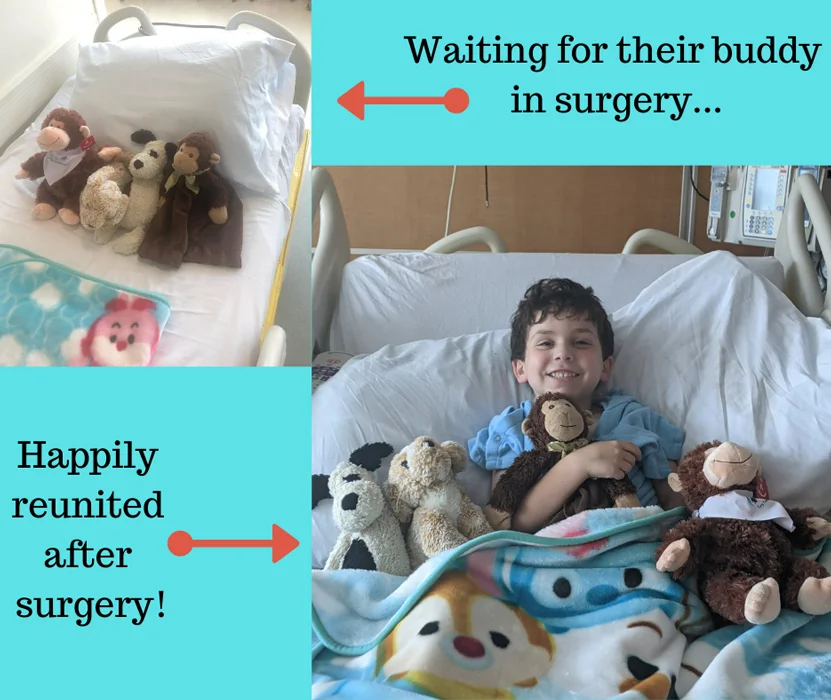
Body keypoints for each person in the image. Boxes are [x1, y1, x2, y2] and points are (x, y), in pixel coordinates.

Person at [468, 278, 685, 533]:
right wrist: (580, 464)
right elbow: (510, 521)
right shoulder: (512, 430)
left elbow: (677, 505)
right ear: (520, 368)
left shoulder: (633, 417)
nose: (563, 353)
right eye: (546, 343)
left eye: (581, 342)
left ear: (606, 367)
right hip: (550, 561)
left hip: (634, 552)